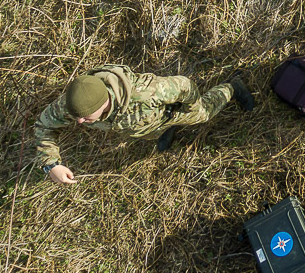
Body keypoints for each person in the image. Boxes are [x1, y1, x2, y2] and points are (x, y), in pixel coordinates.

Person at [34, 66, 254, 185]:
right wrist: (51, 164)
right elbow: (43, 126)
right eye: (77, 117)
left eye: (85, 117)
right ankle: (166, 131)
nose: (80, 122)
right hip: (147, 127)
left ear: (104, 103)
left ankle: (231, 87)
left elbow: (184, 86)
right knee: (151, 133)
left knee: (205, 114)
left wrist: (190, 108)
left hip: (172, 112)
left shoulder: (148, 92)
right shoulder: (75, 104)